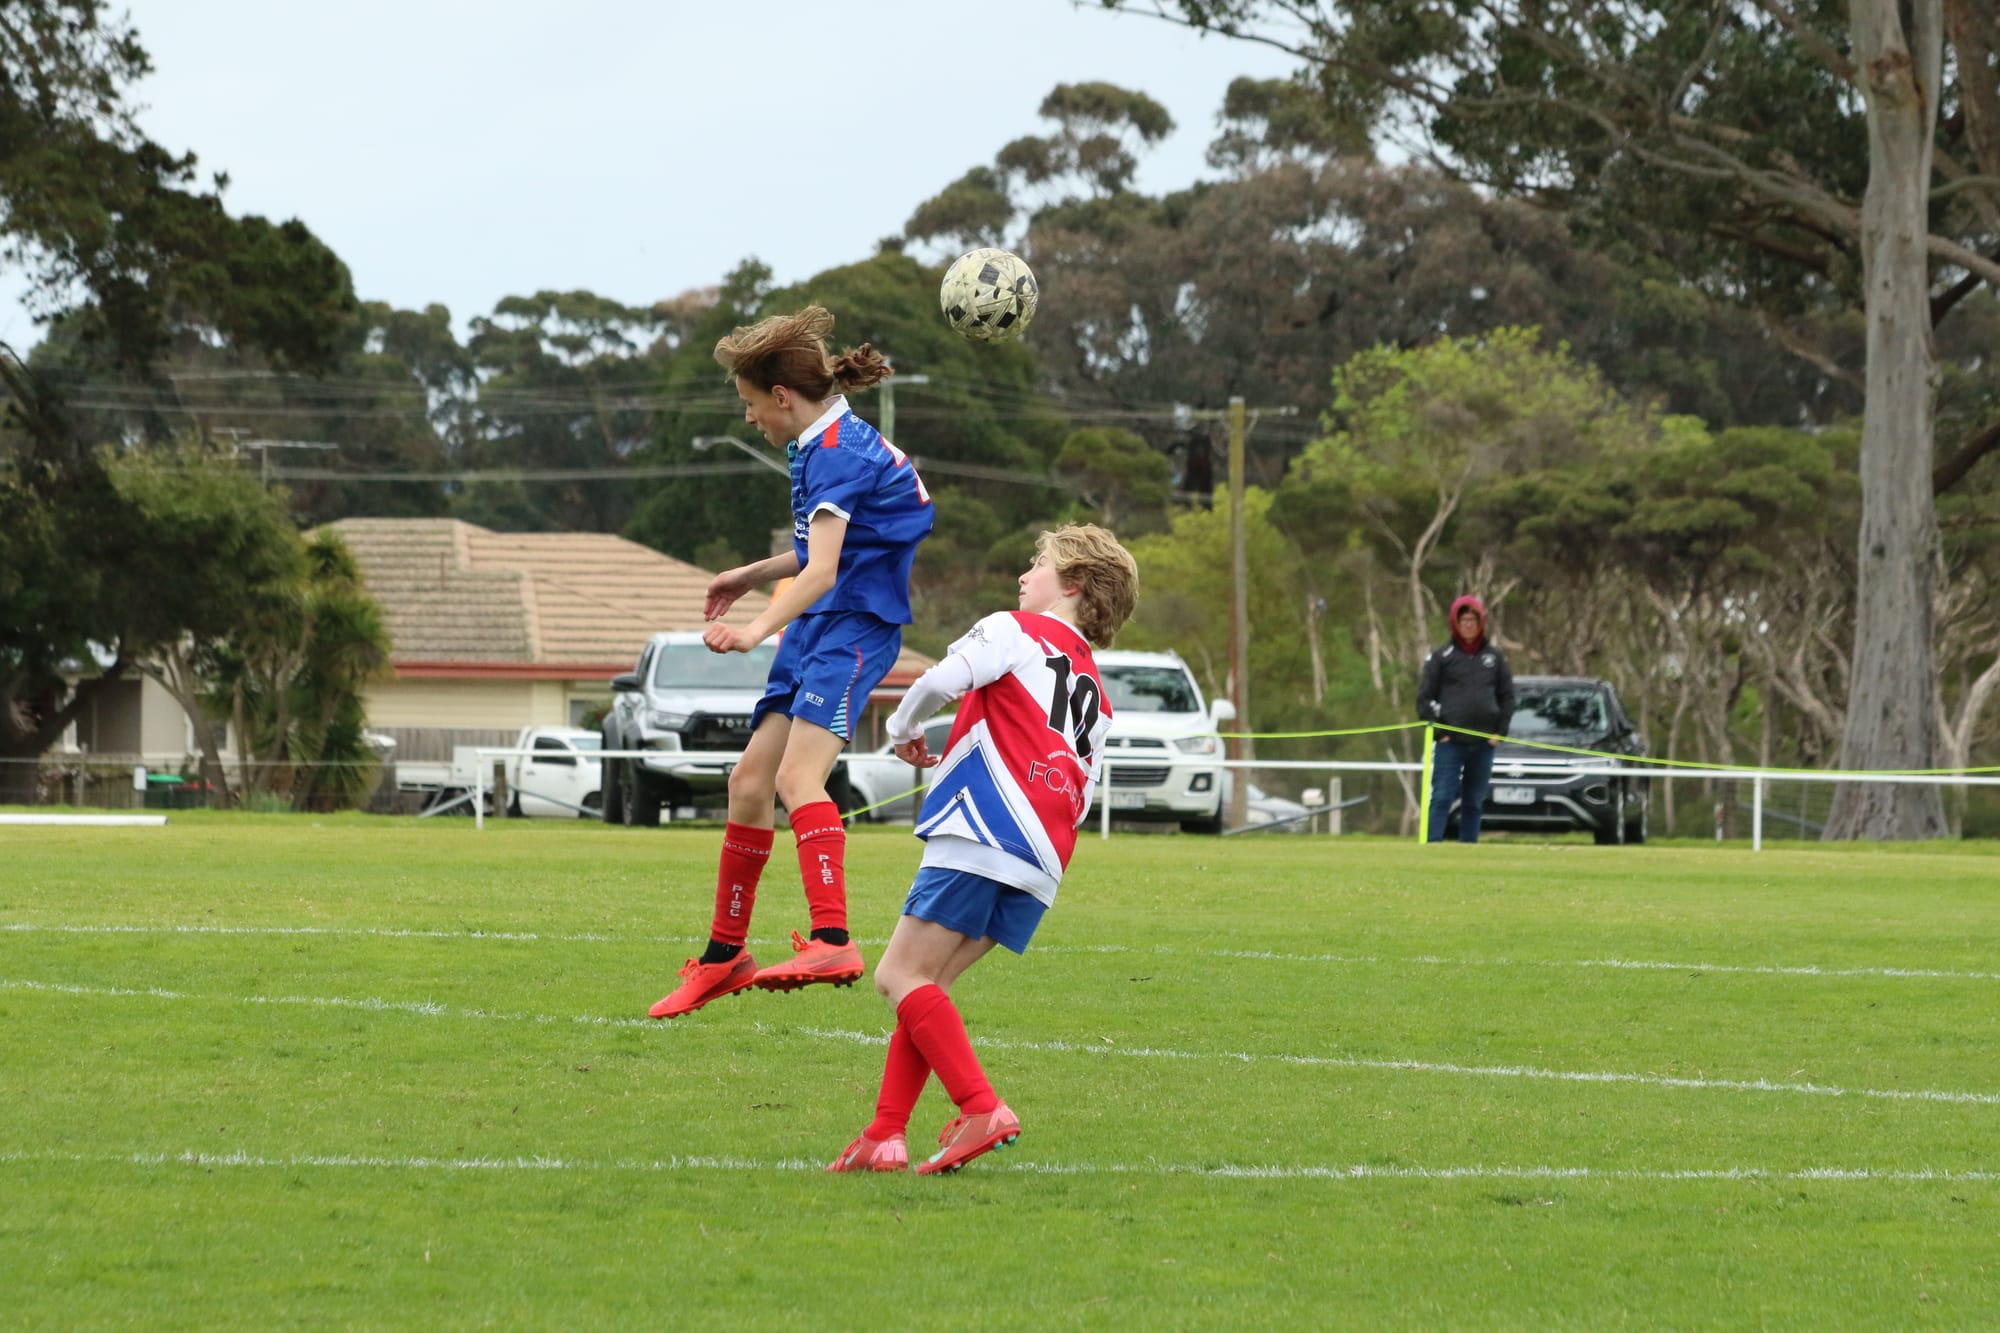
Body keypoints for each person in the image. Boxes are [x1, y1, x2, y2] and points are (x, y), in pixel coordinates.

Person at [649, 306, 934, 1019]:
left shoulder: (834, 449)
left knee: (795, 776)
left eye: (750, 405)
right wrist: (750, 574)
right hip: (819, 621)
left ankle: (833, 936)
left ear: (781, 397)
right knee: (749, 783)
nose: (749, 419)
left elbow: (826, 570)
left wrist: (752, 630)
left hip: (854, 624)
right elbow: (817, 552)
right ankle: (723, 957)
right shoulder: (820, 440)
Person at [827, 524, 1139, 1175]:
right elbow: (1083, 795)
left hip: (983, 828)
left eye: (1039, 563)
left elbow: (943, 679)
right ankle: (885, 1133)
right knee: (928, 983)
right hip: (1042, 855)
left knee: (898, 975)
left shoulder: (1016, 629)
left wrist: (901, 729)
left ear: (1074, 583)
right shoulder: (1098, 694)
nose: (1026, 575)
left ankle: (982, 1106)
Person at [1418, 594, 1515, 843]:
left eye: (1473, 619)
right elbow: (1424, 699)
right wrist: (1442, 733)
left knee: (1473, 800)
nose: (1469, 624)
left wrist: (1499, 733)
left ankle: (1468, 847)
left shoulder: (1495, 659)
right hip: (1451, 743)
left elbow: (1507, 697)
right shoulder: (1442, 657)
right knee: (1442, 796)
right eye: (1464, 620)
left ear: (1480, 622)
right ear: (1455, 623)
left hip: (1483, 744)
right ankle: (1433, 845)